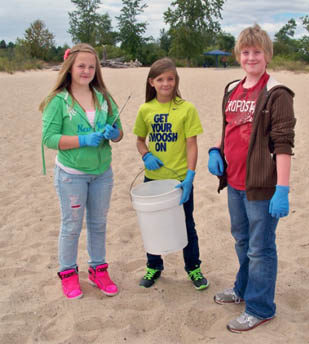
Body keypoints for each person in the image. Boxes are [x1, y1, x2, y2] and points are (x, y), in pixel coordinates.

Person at [208, 24, 296, 332]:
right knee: (242, 240)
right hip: (234, 182)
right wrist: (215, 150)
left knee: (261, 248)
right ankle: (243, 289)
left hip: (261, 187)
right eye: (245, 52)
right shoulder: (232, 88)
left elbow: (283, 144)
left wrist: (282, 189)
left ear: (268, 55)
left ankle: (260, 308)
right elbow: (228, 128)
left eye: (257, 51)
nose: (250, 57)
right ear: (238, 55)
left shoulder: (277, 93)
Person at [39, 43, 123, 299]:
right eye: (81, 66)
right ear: (70, 68)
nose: (86, 71)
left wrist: (114, 133)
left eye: (91, 66)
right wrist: (82, 140)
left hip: (102, 173)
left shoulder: (104, 98)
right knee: (72, 225)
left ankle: (98, 269)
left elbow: (119, 132)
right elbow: (50, 139)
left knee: (98, 224)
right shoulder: (58, 101)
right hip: (71, 175)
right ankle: (68, 273)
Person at [133, 57, 209, 291]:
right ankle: (154, 266)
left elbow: (192, 144)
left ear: (176, 81)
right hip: (153, 180)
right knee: (151, 225)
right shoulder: (145, 109)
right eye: (160, 79)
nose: (166, 83)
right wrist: (146, 155)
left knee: (187, 223)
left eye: (170, 79)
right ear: (151, 82)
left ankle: (193, 268)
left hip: (179, 180)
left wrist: (190, 176)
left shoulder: (187, 109)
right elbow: (139, 140)